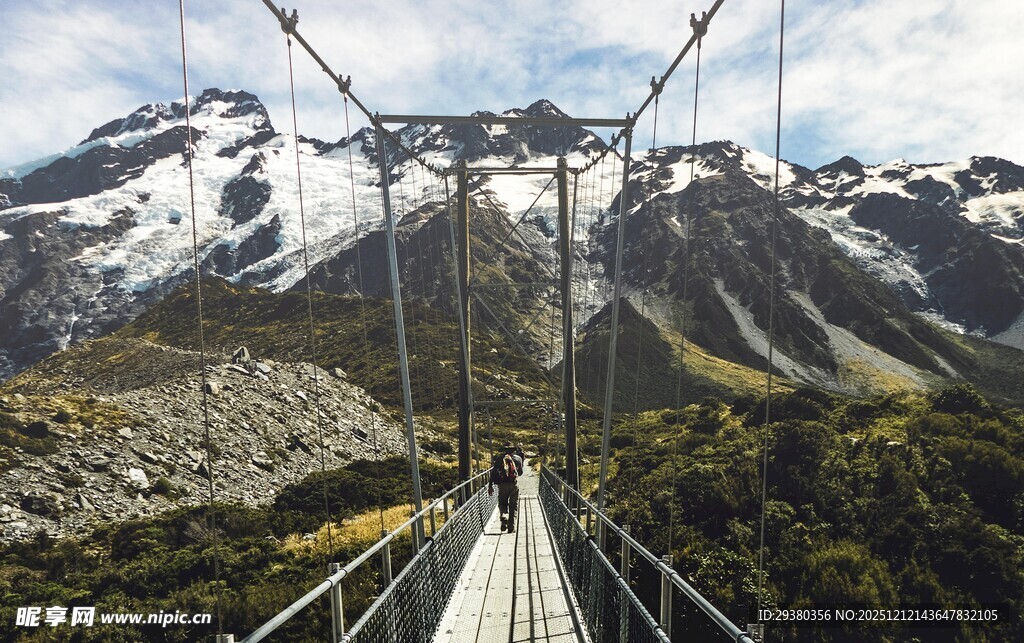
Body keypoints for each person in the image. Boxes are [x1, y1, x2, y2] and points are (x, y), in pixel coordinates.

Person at [488, 445, 524, 533]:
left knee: (502, 503)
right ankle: (511, 527)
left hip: (502, 484)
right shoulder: (518, 458)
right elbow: (520, 473)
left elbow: (493, 473)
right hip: (513, 484)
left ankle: (504, 515)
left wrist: (490, 486)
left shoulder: (500, 458)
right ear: (513, 450)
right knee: (513, 505)